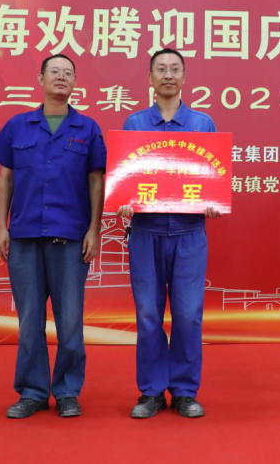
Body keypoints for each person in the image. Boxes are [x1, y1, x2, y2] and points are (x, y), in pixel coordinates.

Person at [0, 54, 106, 418]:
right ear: (40, 79)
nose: (61, 77)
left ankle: (67, 391)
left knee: (70, 321)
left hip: (70, 238)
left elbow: (96, 181)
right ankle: (33, 391)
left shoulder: (87, 128)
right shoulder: (18, 125)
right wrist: (1, 226)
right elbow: (6, 178)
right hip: (24, 236)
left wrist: (94, 230)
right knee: (29, 320)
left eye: (68, 73)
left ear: (75, 82)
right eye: (54, 71)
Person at [117, 48, 222, 419]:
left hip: (189, 232)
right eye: (160, 69)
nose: (167, 75)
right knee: (148, 315)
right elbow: (125, 175)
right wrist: (124, 201)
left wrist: (213, 202)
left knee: (188, 315)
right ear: (150, 78)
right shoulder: (135, 124)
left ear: (184, 77)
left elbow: (213, 175)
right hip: (145, 232)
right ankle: (150, 391)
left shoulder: (202, 124)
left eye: (175, 69)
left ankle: (184, 391)